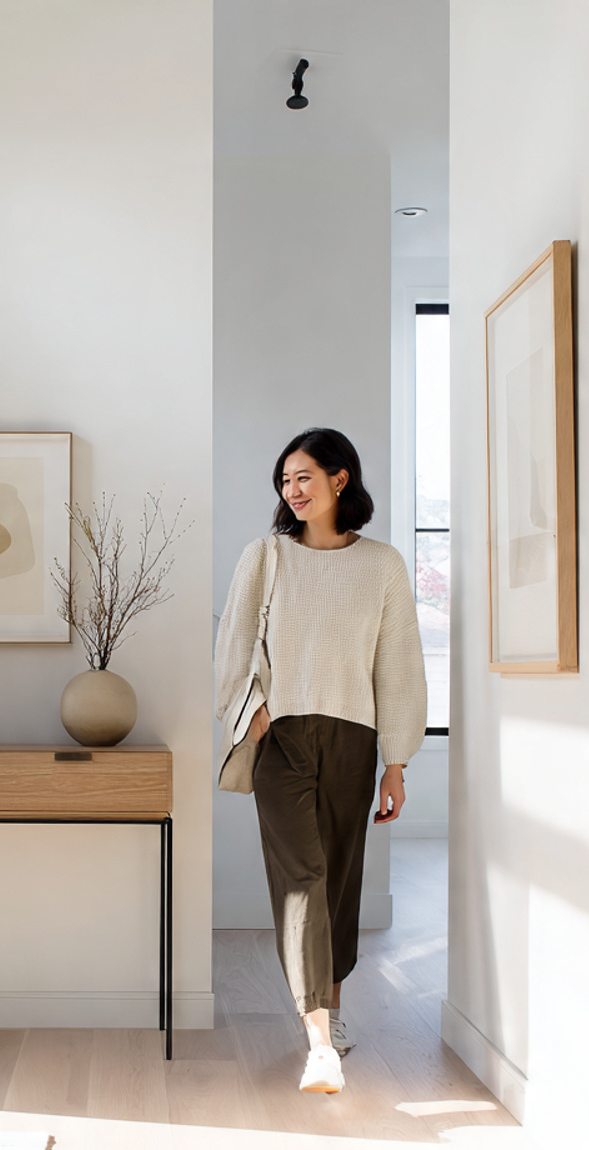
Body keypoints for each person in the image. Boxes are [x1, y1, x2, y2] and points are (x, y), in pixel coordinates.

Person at [214, 428, 426, 1095]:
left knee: (337, 879)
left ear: (340, 479)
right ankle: (317, 1044)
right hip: (283, 739)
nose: (292, 491)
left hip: (354, 741)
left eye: (303, 477)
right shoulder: (267, 557)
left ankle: (328, 1014)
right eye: (284, 481)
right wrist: (251, 710)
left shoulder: (383, 565)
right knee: (302, 877)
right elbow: (235, 640)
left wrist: (397, 761)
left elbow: (397, 663)